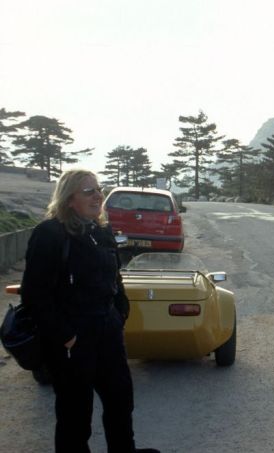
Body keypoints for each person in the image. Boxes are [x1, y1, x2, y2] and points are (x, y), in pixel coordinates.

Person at [20, 169, 158, 453]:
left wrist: (120, 310)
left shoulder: (101, 230)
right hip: (73, 338)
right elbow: (35, 294)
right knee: (75, 414)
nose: (98, 196)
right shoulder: (50, 234)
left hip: (107, 329)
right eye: (89, 191)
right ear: (69, 199)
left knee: (120, 400)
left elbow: (114, 277)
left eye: (99, 189)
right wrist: (65, 335)